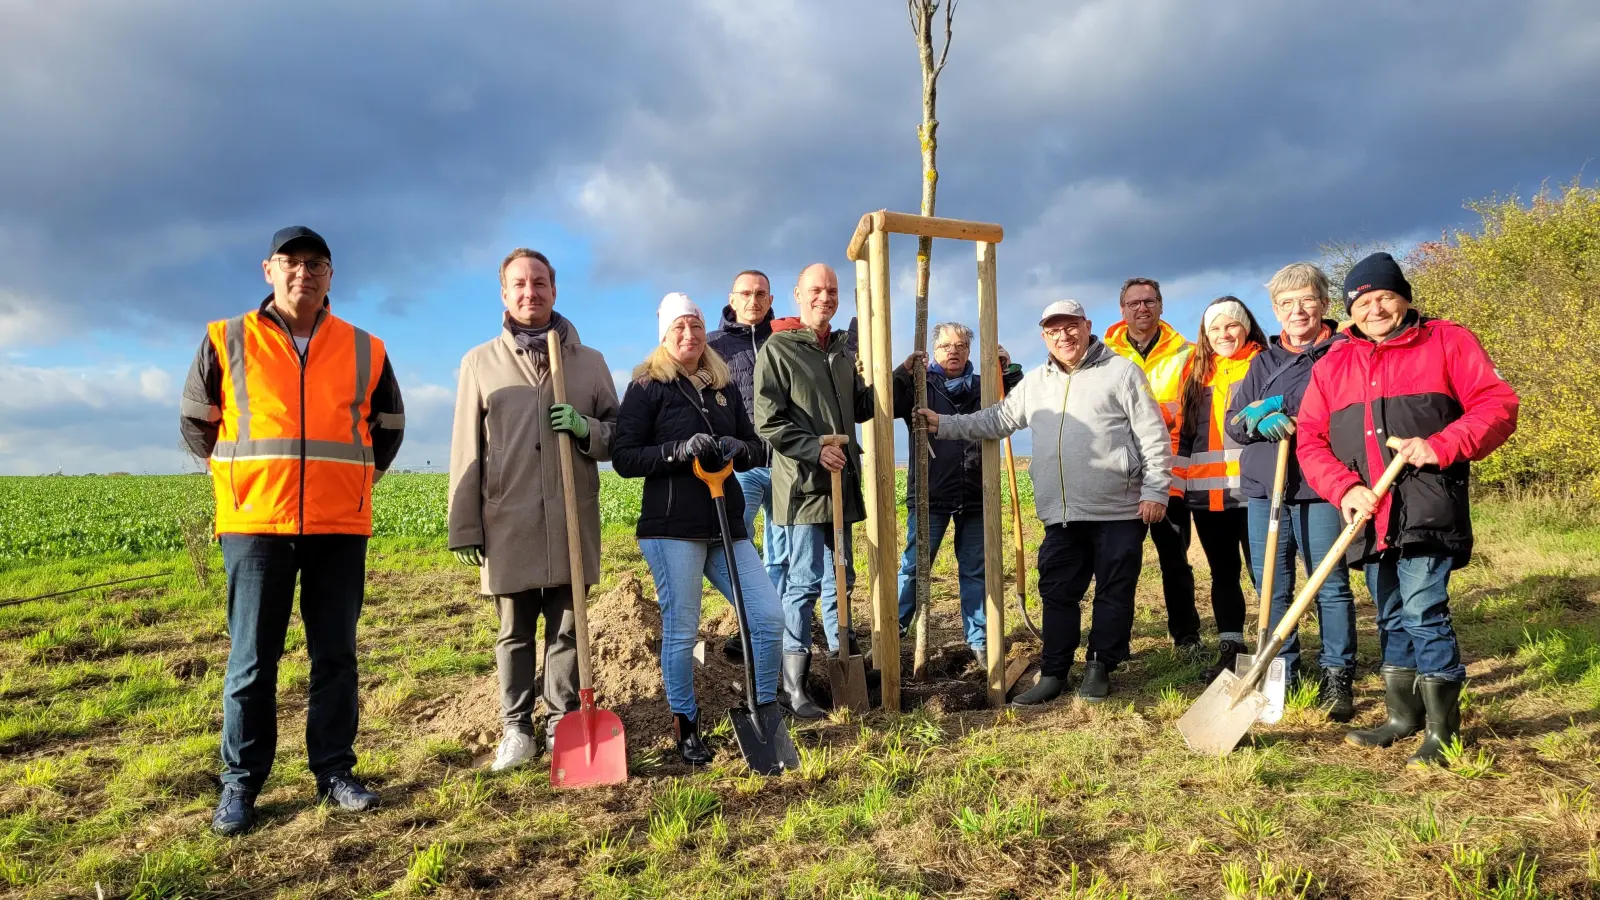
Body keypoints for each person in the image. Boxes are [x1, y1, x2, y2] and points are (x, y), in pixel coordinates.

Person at [179, 226, 405, 835]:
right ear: (268, 270)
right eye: (291, 262)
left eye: (317, 263)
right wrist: (239, 484)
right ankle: (241, 784)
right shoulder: (225, 339)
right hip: (255, 525)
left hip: (339, 524)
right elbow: (197, 421)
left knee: (336, 657)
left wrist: (355, 483)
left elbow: (389, 426)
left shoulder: (365, 347)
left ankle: (334, 773)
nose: (303, 272)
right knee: (253, 660)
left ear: (331, 277)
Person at [1297, 252, 1518, 767]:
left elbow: (1497, 405)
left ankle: (1444, 731)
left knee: (1423, 609)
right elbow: (1310, 439)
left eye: (1385, 298)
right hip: (1368, 512)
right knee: (1391, 613)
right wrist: (1345, 488)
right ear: (1349, 311)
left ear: (1405, 299)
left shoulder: (1447, 341)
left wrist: (1440, 445)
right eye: (1363, 301)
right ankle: (1403, 715)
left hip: (1425, 505)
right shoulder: (1333, 363)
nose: (1375, 309)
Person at [918, 300, 1171, 705]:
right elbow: (997, 420)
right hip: (1062, 514)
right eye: (1054, 331)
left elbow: (1153, 435)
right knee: (1056, 592)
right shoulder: (1036, 382)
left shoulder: (1121, 372)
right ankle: (1054, 672)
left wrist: (1156, 490)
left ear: (1087, 326)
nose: (1064, 336)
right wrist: (945, 424)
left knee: (1113, 590)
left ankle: (1100, 667)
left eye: (1071, 327)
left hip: (1117, 508)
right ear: (1044, 337)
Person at [447, 248, 619, 772]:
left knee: (568, 630)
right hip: (509, 518)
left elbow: (619, 435)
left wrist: (588, 430)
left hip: (570, 515)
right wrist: (465, 527)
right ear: (504, 293)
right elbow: (465, 449)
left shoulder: (588, 362)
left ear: (554, 289)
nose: (530, 292)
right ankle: (517, 728)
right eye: (519, 284)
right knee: (514, 631)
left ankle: (561, 721)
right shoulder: (480, 363)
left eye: (539, 282)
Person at [613, 293, 783, 763]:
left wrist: (737, 447)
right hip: (671, 528)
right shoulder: (647, 387)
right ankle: (685, 724)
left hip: (725, 523)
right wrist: (676, 451)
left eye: (695, 326)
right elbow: (625, 458)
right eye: (678, 328)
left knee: (769, 618)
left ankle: (764, 706)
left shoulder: (722, 387)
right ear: (664, 336)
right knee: (683, 629)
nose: (688, 335)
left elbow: (757, 447)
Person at [1224, 263, 1359, 720]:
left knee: (1329, 585)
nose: (1297, 311)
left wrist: (1288, 406)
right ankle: (1282, 669)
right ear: (1275, 311)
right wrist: (1254, 418)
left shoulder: (1345, 351)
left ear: (1323, 302)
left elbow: (1345, 409)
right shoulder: (1263, 360)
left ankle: (1338, 673)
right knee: (1270, 586)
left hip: (1321, 486)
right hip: (1266, 487)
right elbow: (1234, 423)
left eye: (1306, 300)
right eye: (1285, 304)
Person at [754, 263, 874, 719]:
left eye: (832, 291)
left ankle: (842, 659)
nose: (825, 297)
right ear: (799, 295)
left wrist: (899, 374)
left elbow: (861, 407)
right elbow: (768, 419)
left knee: (841, 579)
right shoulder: (780, 349)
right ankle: (794, 686)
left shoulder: (841, 352)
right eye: (816, 290)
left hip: (841, 483)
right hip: (804, 487)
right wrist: (814, 450)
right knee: (802, 582)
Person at [893, 324, 1022, 670]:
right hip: (930, 495)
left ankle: (979, 641)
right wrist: (903, 372)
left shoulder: (984, 386)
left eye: (962, 345)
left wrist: (1006, 372)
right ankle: (893, 634)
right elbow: (886, 403)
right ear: (933, 351)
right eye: (946, 346)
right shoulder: (920, 386)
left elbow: (1018, 405)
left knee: (976, 570)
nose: (954, 351)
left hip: (977, 493)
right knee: (914, 568)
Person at [1102, 277, 1202, 653]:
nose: (1142, 308)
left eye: (1149, 301)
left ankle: (1187, 636)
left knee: (1175, 560)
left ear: (1160, 305)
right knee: (1119, 563)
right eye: (1134, 303)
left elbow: (1194, 411)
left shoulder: (1187, 353)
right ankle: (1117, 642)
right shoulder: (1104, 354)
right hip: (1120, 474)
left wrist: (1150, 416)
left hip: (1169, 472)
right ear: (1122, 310)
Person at [1177, 297, 1268, 681]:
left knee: (1265, 575)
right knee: (1223, 573)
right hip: (1208, 495)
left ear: (1246, 327)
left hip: (1257, 491)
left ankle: (1275, 652)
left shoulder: (1266, 363)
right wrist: (1176, 487)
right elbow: (1185, 433)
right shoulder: (1195, 371)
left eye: (1231, 325)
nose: (1223, 334)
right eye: (1215, 328)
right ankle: (1231, 650)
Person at [706, 270, 785, 659]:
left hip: (786, 462)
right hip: (741, 466)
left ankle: (774, 628)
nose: (753, 300)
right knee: (737, 546)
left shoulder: (785, 340)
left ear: (770, 300)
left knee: (782, 553)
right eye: (746, 294)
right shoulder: (712, 346)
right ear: (732, 299)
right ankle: (748, 624)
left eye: (761, 294)